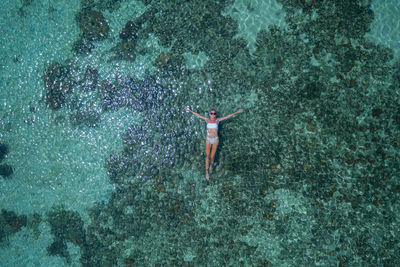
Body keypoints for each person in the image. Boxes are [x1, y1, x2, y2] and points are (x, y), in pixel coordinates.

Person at [185, 106, 243, 180]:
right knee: (207, 156)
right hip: (208, 139)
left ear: (215, 115)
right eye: (211, 113)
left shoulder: (217, 120)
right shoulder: (207, 120)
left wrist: (237, 112)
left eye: (214, 113)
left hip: (215, 139)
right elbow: (198, 115)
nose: (212, 115)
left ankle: (211, 166)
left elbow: (227, 116)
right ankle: (206, 172)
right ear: (209, 114)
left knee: (212, 157)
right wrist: (189, 110)